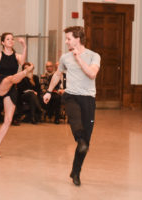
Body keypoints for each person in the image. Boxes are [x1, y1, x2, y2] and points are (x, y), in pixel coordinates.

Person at [43, 26, 101, 186]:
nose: (67, 41)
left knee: (85, 143)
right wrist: (48, 91)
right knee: (76, 124)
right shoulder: (65, 58)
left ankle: (76, 172)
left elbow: (92, 74)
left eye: (69, 38)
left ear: (78, 38)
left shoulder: (94, 56)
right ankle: (79, 140)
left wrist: (78, 58)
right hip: (71, 96)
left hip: (88, 99)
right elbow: (57, 74)